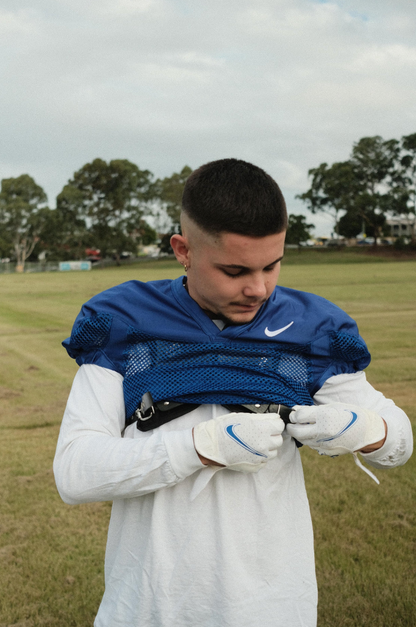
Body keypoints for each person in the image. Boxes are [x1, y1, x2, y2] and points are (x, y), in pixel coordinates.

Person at [53, 158, 413, 627]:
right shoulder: (125, 325)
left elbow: (400, 444)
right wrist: (200, 447)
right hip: (149, 606)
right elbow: (75, 473)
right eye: (235, 270)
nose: (258, 288)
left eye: (272, 265)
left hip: (272, 604)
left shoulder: (312, 331)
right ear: (183, 250)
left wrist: (365, 430)